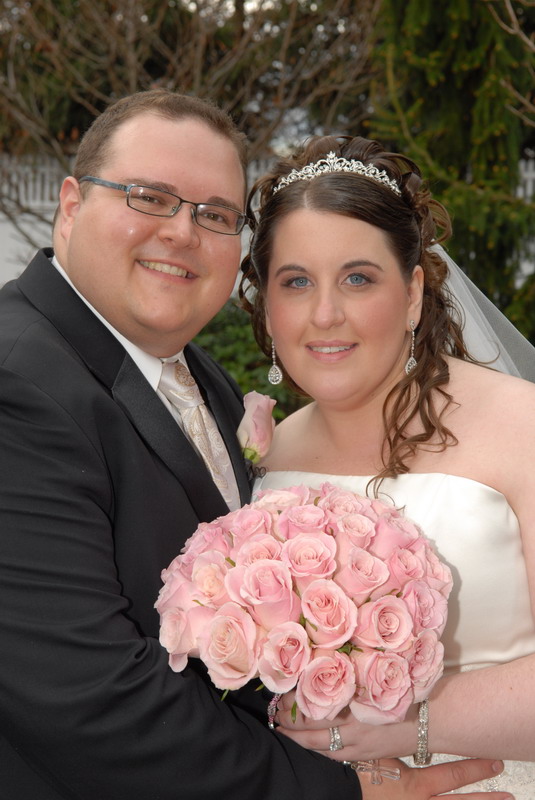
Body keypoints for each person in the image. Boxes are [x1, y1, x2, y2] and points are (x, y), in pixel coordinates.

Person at [0, 89, 504, 800]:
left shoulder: (205, 381)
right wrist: (348, 791)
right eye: (149, 197)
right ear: (72, 204)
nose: (182, 232)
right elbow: (88, 697)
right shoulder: (18, 383)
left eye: (214, 214)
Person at [241, 133, 535, 798]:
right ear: (267, 304)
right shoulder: (265, 457)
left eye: (357, 278)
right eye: (296, 282)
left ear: (412, 294)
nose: (324, 314)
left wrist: (405, 724)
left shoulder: (523, 426)